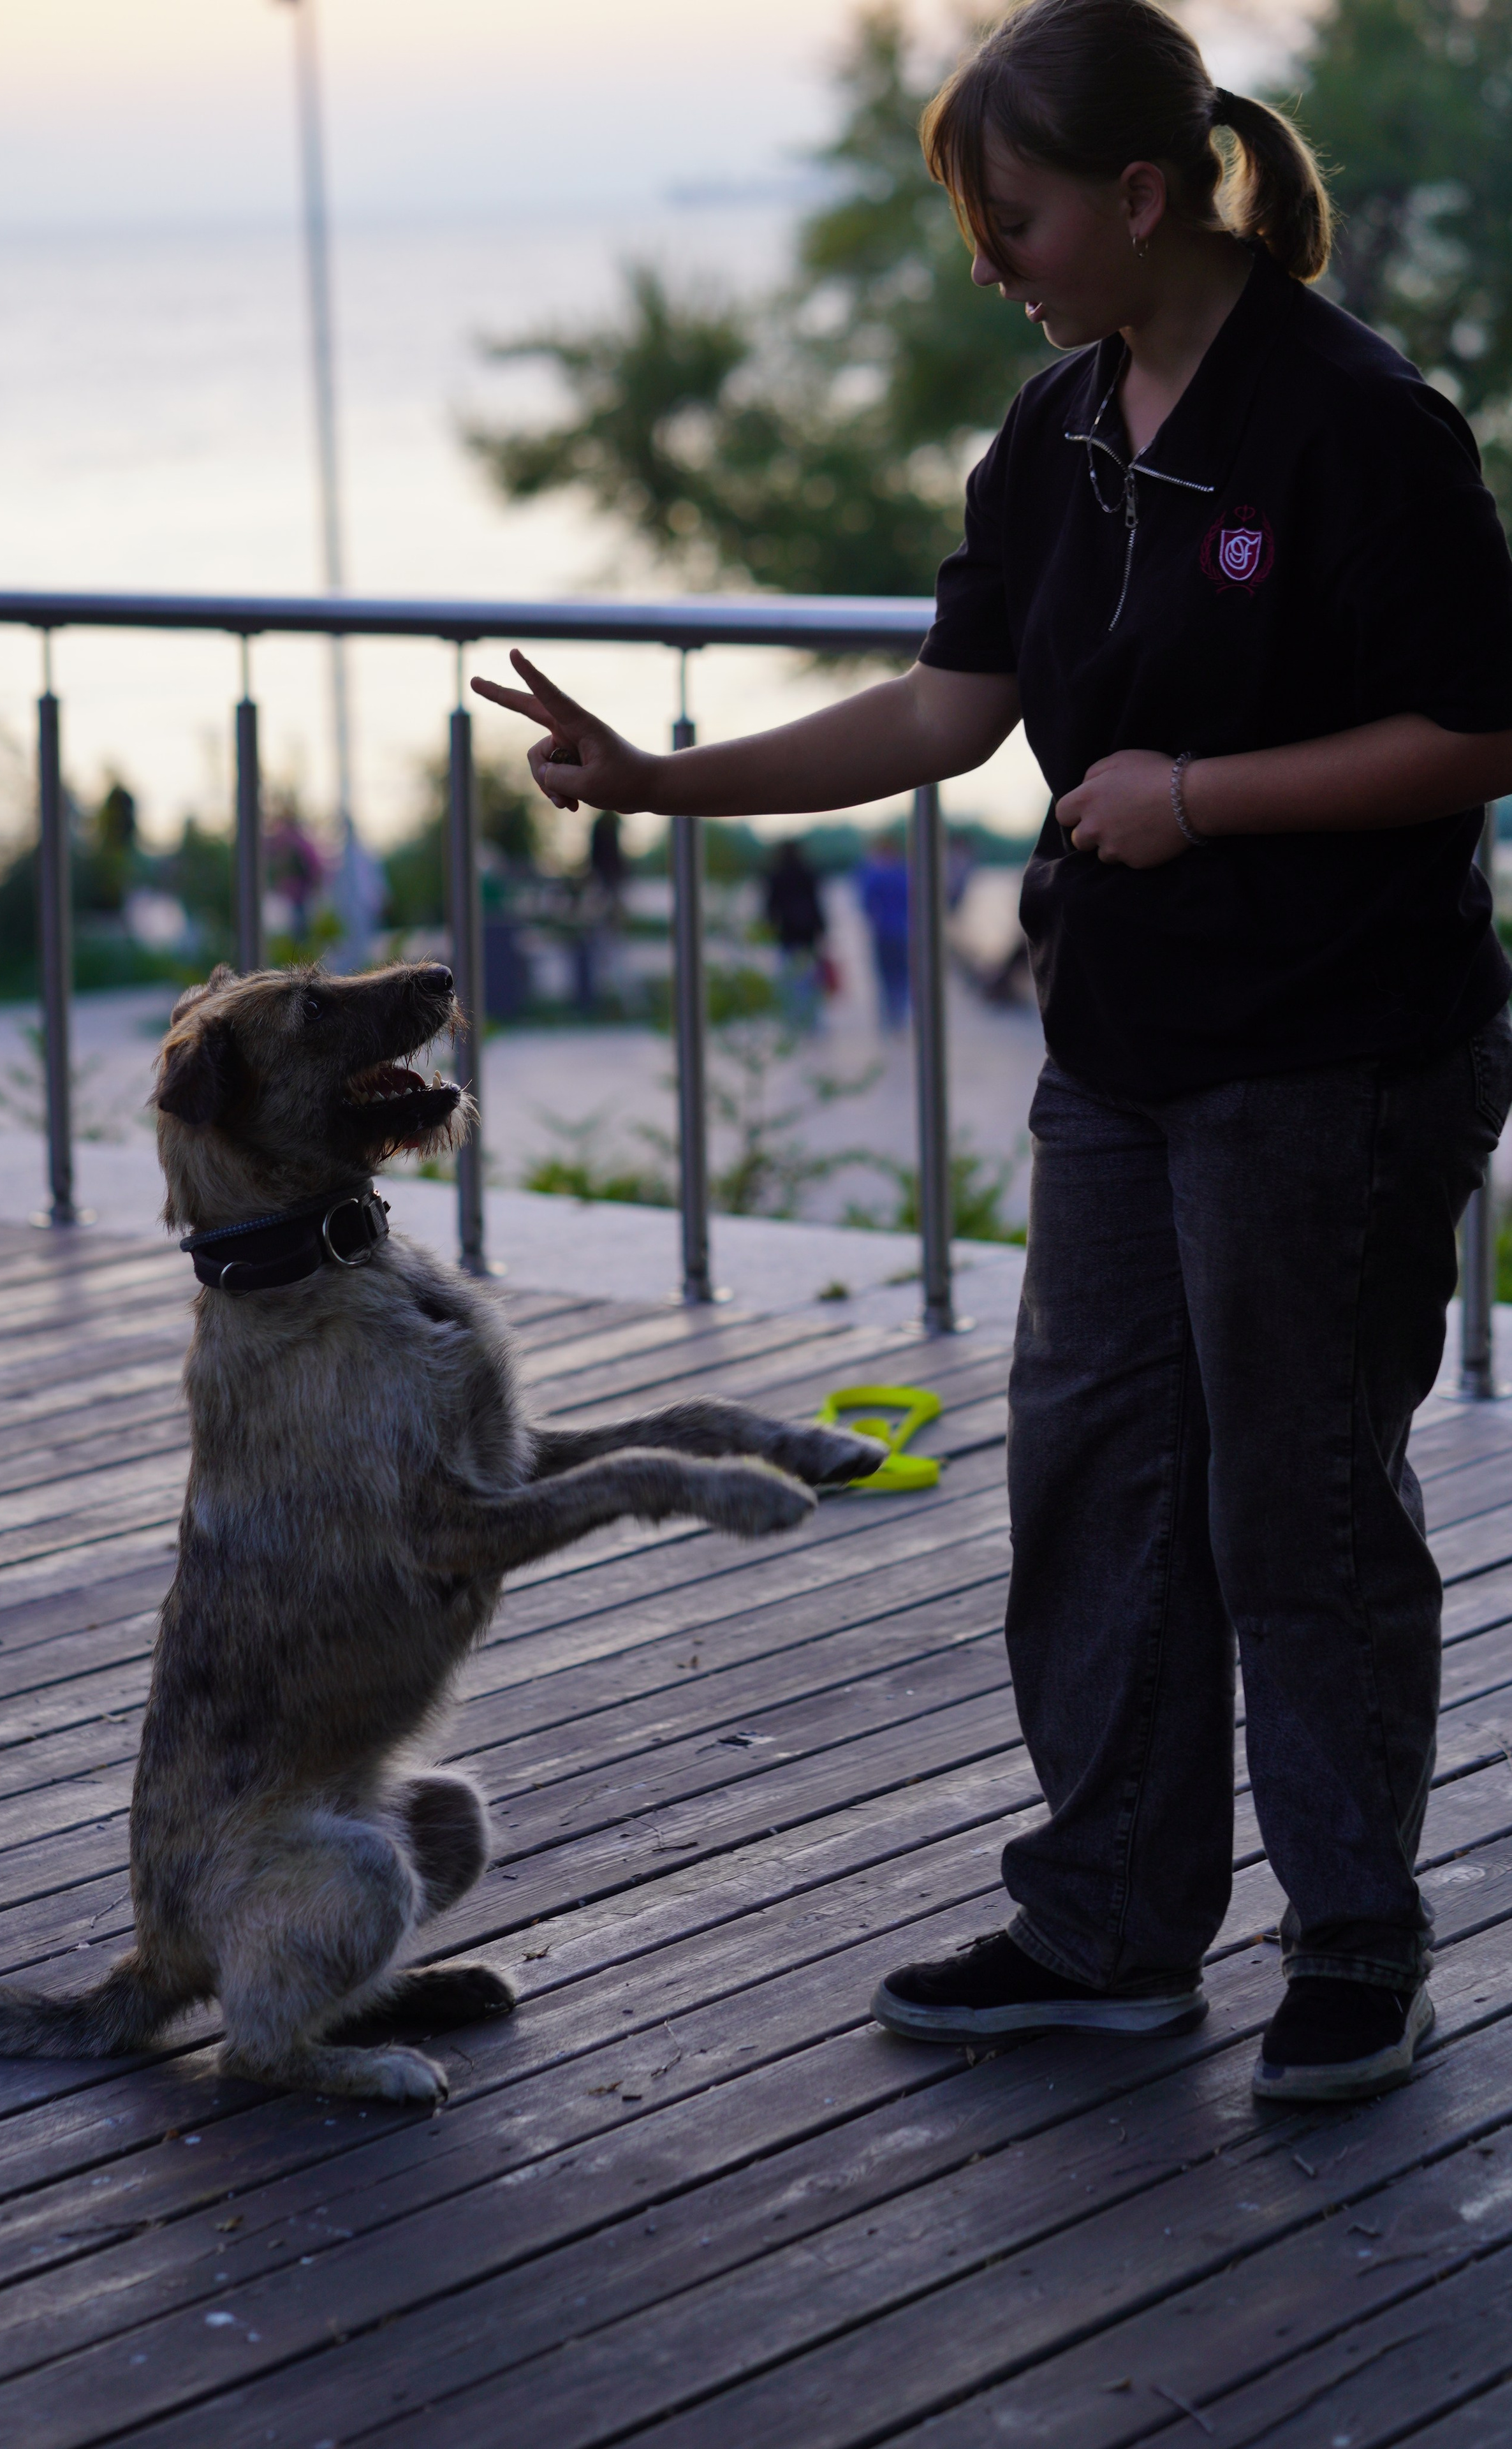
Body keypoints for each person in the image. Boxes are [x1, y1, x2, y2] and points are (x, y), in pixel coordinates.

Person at [473, 0, 1512, 2107]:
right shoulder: (1057, 433)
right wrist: (661, 783)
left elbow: (1482, 733)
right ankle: (1114, 1926)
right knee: (1097, 1481)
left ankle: (1358, 1950)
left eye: (1011, 215)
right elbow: (947, 711)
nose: (987, 259)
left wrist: (1199, 796)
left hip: (1339, 1060)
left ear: (1141, 196)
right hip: (1122, 1049)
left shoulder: (1355, 423)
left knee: (1294, 1507)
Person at [764, 838, 829, 1031]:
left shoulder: (776, 875)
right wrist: (822, 929)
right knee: (810, 980)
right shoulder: (809, 873)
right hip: (808, 934)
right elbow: (817, 904)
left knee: (790, 980)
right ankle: (812, 1022)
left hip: (787, 934)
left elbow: (770, 908)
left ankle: (793, 1022)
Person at [855, 832, 911, 1032]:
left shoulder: (874, 873)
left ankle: (888, 1019)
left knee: (885, 977)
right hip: (903, 930)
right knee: (902, 977)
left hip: (882, 931)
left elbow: (865, 902)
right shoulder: (903, 871)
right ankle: (899, 1018)